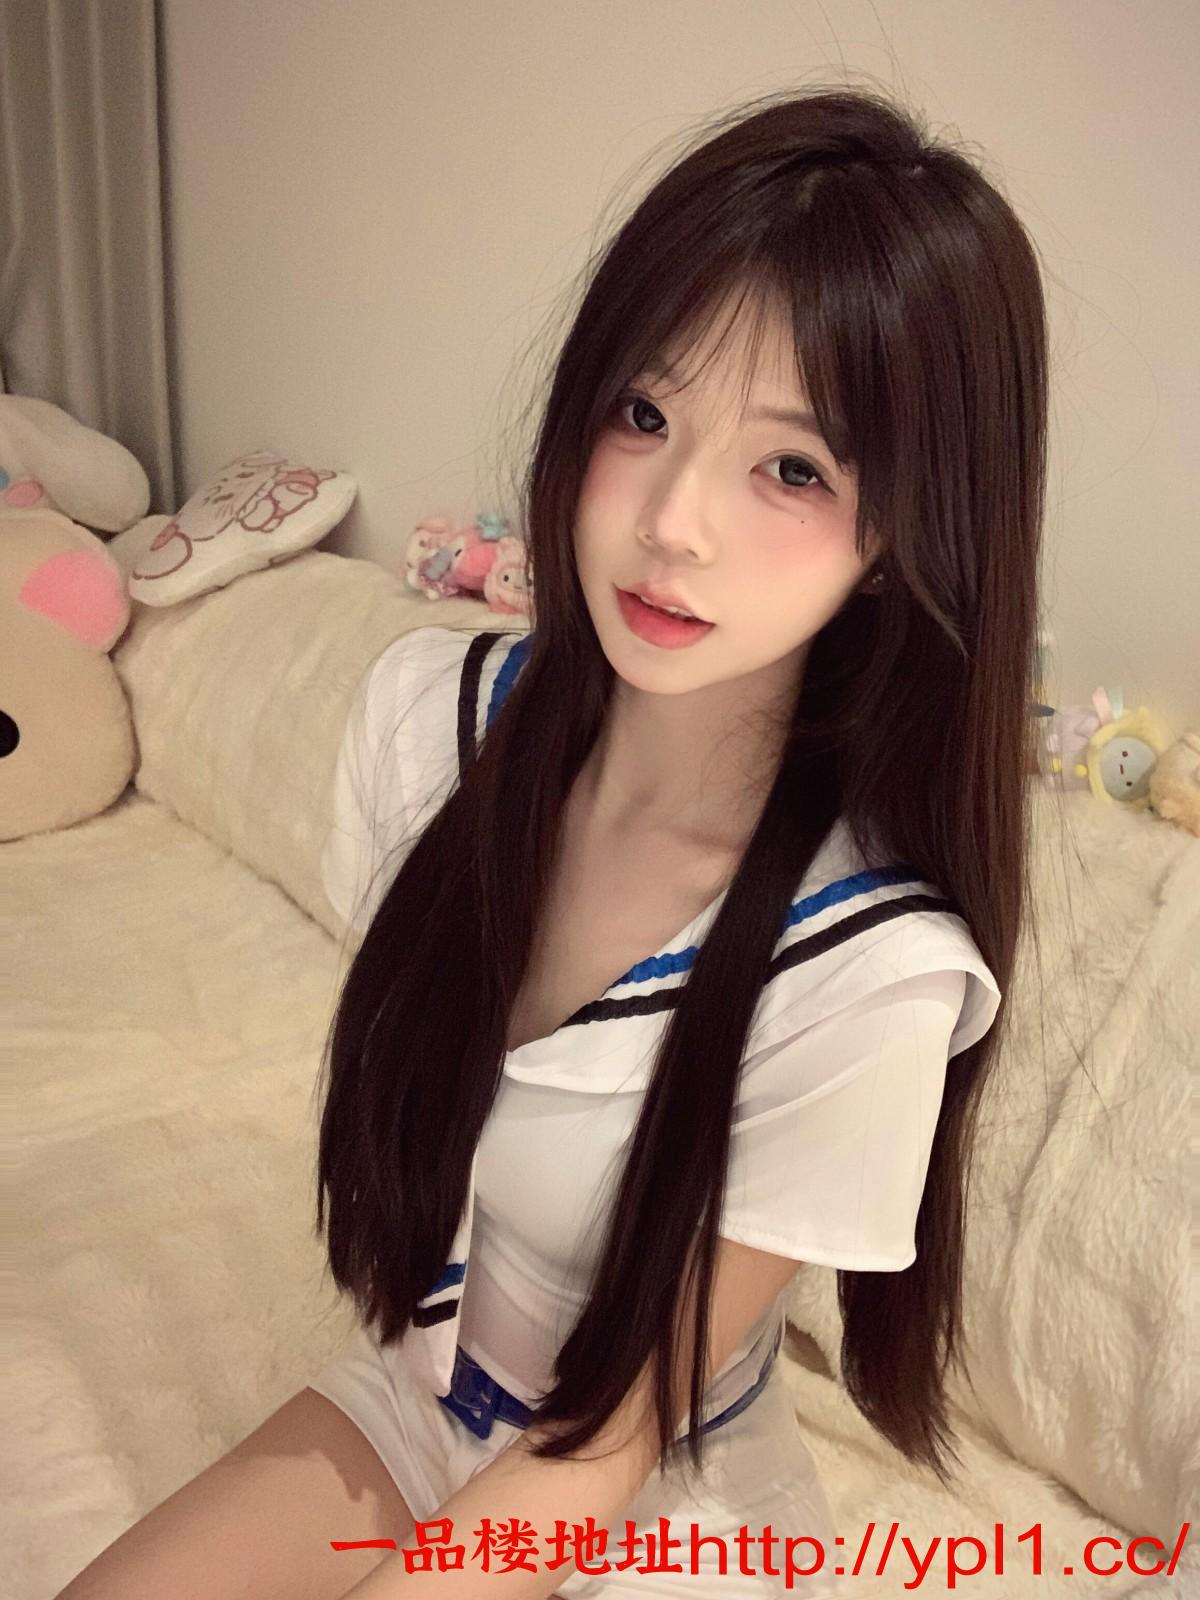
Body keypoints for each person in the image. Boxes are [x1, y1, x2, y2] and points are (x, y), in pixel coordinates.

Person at [56, 83, 1044, 1600]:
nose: (673, 523)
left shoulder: (867, 970)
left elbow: (613, 1440)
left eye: (793, 469)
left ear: (904, 531)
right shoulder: (431, 729)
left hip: (658, 1501)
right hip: (422, 1394)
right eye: (644, 415)